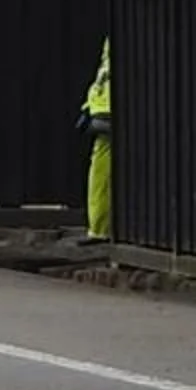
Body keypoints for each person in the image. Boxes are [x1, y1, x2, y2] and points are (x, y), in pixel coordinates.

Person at [81, 38, 114, 239]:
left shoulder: (110, 43)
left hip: (100, 106)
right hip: (108, 107)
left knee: (100, 169)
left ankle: (99, 227)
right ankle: (101, 227)